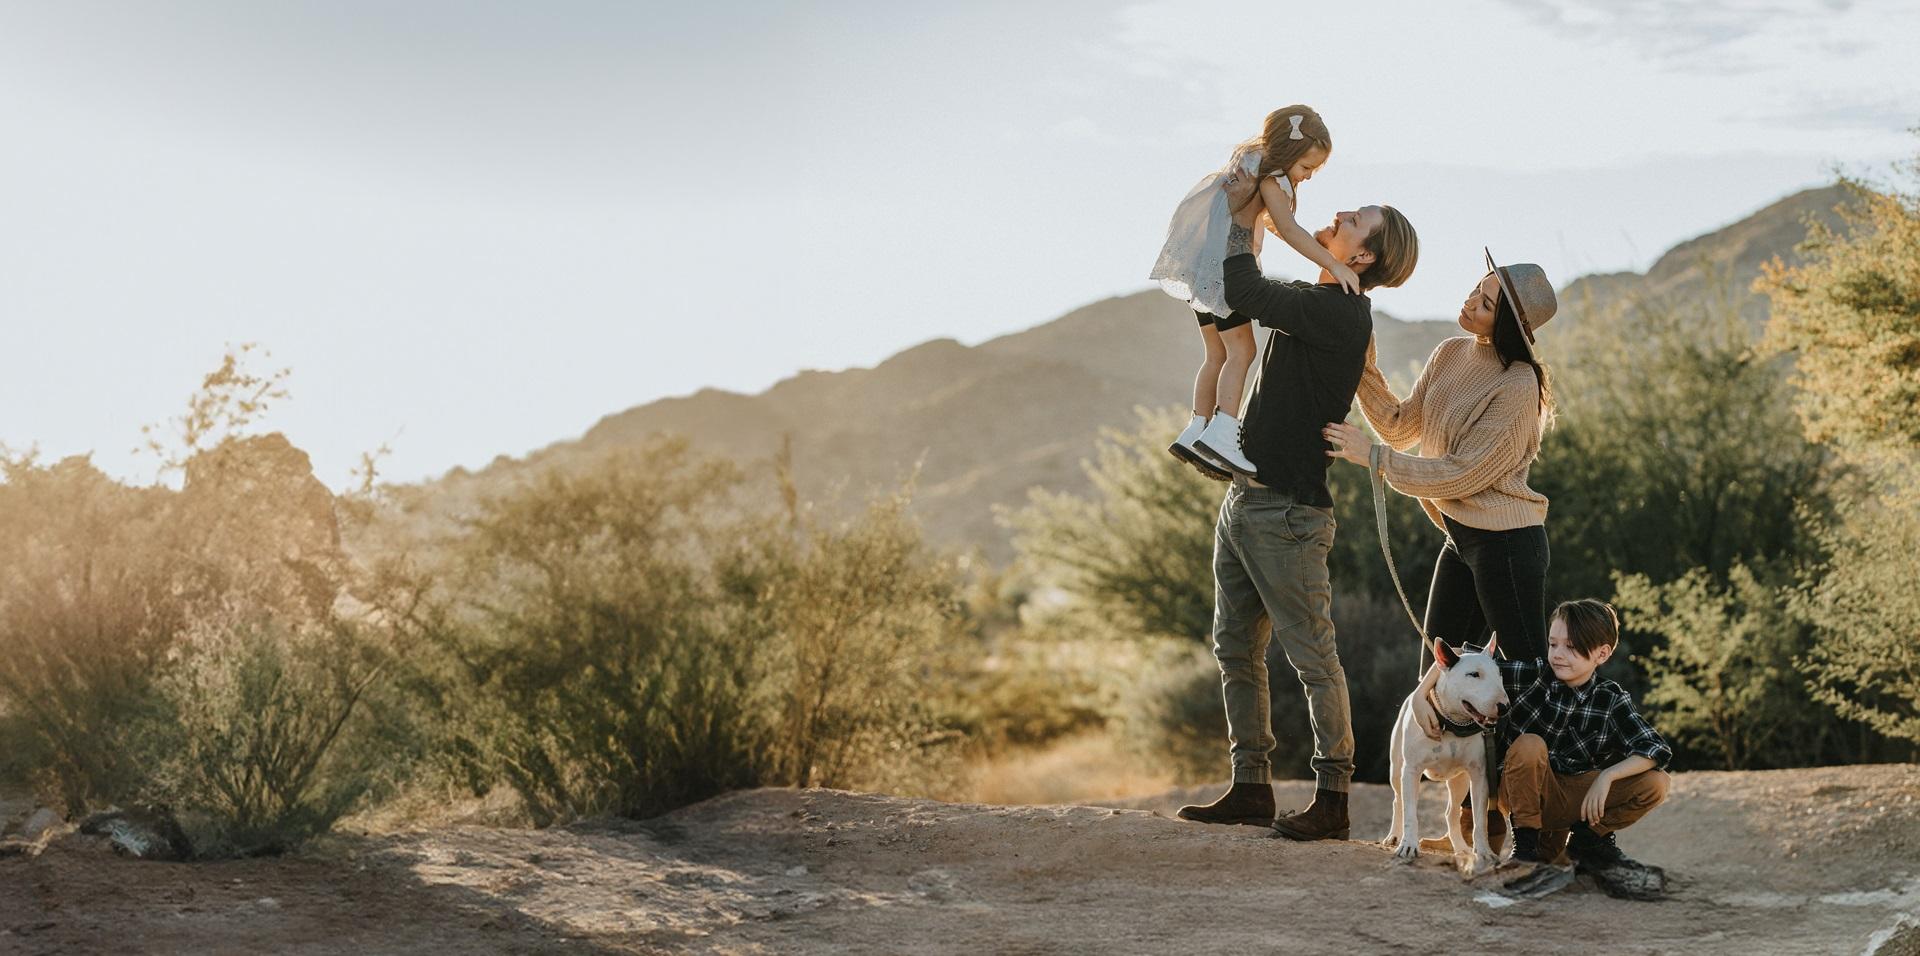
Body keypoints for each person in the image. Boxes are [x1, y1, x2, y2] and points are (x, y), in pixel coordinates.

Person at [1174, 168, 1419, 841]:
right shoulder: (1326, 298)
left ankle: (1333, 800)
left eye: (1353, 220)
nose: (1337, 215)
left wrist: (1240, 210)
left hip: (1287, 515)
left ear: (1361, 256)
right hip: (1245, 501)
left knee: (1313, 658)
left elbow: (1245, 287)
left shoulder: (1338, 309)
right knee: (1235, 651)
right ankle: (1251, 787)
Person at [1323, 249, 1559, 664]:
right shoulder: (1450, 352)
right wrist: (1358, 355)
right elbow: (1399, 426)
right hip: (1461, 538)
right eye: (1476, 290)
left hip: (1507, 545)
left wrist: (1375, 458)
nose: (1470, 301)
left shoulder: (1519, 383)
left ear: (1507, 324)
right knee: (1435, 677)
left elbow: (1463, 474)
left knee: (1525, 676)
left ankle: (1548, 734)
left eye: (1486, 304)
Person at [1149, 105, 1361, 480]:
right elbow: (1290, 229)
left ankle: (1196, 427)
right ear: (1290, 152)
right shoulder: (1272, 174)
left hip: (1201, 268)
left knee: (1215, 353)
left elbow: (1274, 224)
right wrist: (1335, 264)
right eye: (1307, 168)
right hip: (1226, 272)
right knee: (1242, 351)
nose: (1308, 177)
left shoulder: (1249, 161)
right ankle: (1224, 431)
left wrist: (1291, 230)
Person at [1411, 600, 1673, 900]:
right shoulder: (1532, 675)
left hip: (1574, 798)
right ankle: (1525, 852)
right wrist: (1421, 695)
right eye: (1553, 643)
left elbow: (1654, 748)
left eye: (1572, 647)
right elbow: (1458, 655)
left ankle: (1586, 844)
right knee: (1530, 744)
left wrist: (1607, 777)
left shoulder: (1610, 698)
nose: (1558, 654)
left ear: (1602, 653)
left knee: (1657, 783)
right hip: (1522, 791)